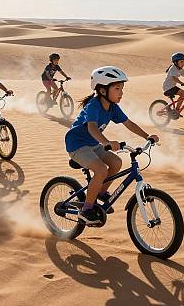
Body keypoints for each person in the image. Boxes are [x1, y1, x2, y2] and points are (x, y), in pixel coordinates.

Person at [65, 66, 159, 224]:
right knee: (101, 170)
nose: (121, 93)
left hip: (94, 144)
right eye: (117, 89)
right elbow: (92, 127)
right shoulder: (94, 105)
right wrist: (107, 142)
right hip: (77, 145)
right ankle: (86, 209)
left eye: (122, 88)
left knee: (116, 162)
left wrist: (147, 136)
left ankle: (100, 192)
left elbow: (128, 123)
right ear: (102, 90)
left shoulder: (113, 107)